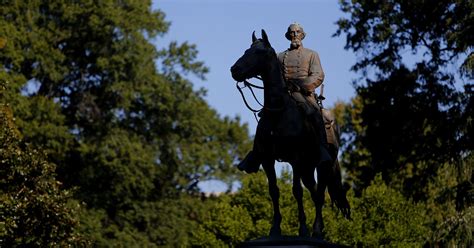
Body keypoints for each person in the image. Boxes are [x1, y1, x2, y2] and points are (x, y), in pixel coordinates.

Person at [237, 23, 331, 173]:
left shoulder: (312, 54)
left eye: (297, 32)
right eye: (292, 32)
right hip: (284, 93)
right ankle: (255, 154)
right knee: (264, 116)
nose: (294, 35)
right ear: (288, 36)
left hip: (304, 93)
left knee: (314, 113)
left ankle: (322, 148)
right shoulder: (280, 56)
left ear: (302, 35)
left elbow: (318, 75)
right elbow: (273, 73)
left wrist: (302, 86)